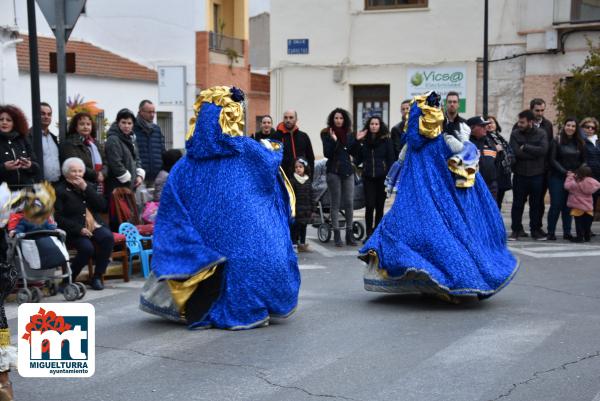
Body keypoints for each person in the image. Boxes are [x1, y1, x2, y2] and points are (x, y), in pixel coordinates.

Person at [140, 86, 300, 330]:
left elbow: (171, 211)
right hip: (255, 256)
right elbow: (272, 162)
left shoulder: (185, 166)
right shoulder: (248, 153)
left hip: (208, 251)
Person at [359, 92, 518, 303]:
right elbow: (465, 157)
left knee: (413, 235)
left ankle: (434, 281)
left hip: (417, 203)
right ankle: (446, 282)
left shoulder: (415, 147)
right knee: (443, 238)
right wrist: (465, 142)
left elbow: (398, 166)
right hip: (434, 201)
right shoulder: (445, 141)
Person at [54, 157, 114, 291]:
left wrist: (86, 188)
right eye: (73, 171)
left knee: (107, 237)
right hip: (73, 230)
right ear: (66, 173)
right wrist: (79, 229)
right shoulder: (59, 190)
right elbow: (57, 217)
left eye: (80, 171)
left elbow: (102, 206)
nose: (77, 174)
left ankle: (97, 277)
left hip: (94, 225)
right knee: (87, 248)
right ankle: (69, 279)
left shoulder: (88, 185)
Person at [321, 108, 361, 247]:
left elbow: (354, 152)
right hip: (333, 172)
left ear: (345, 120)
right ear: (333, 119)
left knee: (349, 202)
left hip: (348, 171)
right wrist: (334, 141)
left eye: (341, 118)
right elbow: (328, 153)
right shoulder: (326, 133)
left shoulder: (349, 134)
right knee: (335, 203)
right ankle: (337, 234)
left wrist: (357, 141)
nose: (338, 120)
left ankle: (349, 234)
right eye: (336, 118)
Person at [509, 110, 549, 240]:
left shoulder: (541, 133)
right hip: (520, 174)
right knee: (517, 204)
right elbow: (516, 153)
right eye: (519, 121)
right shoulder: (515, 134)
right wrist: (533, 152)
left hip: (537, 175)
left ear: (530, 122)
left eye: (522, 122)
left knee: (536, 204)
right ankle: (516, 230)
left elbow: (543, 151)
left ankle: (535, 230)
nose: (519, 124)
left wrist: (525, 146)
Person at [355, 116, 395, 241]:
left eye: (376, 124)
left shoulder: (386, 140)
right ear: (368, 125)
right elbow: (357, 157)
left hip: (382, 177)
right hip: (368, 178)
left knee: (379, 206)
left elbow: (391, 158)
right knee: (369, 205)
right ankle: (369, 233)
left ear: (380, 125)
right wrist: (357, 141)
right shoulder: (364, 140)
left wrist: (390, 177)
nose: (374, 126)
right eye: (372, 124)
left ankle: (377, 233)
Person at [546, 118, 585, 241]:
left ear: (576, 128)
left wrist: (578, 172)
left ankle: (567, 232)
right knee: (556, 205)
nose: (570, 128)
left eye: (573, 126)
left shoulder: (580, 142)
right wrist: (565, 172)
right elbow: (552, 159)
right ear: (564, 126)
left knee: (568, 206)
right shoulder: (556, 140)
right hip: (557, 177)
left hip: (574, 178)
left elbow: (584, 161)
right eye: (568, 125)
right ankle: (551, 232)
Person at [60, 112, 105, 190]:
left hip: (100, 184)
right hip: (80, 185)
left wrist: (103, 174)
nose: (85, 127)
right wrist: (96, 175)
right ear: (76, 127)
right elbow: (75, 165)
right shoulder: (69, 144)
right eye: (82, 124)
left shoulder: (95, 143)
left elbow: (106, 161)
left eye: (88, 124)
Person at [105, 109, 145, 195]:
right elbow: (115, 162)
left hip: (129, 185)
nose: (126, 126)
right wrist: (128, 179)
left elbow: (137, 158)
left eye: (129, 123)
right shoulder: (113, 139)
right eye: (123, 122)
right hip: (118, 186)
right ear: (118, 122)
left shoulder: (131, 138)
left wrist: (139, 175)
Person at [0, 105, 39, 190]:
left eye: (8, 120)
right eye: (1, 119)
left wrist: (29, 165)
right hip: (3, 195)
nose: (4, 122)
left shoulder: (23, 139)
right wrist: (4, 167)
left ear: (15, 123)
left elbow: (36, 167)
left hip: (25, 192)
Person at [274, 110, 315, 179]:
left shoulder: (304, 136)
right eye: (286, 118)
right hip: (283, 178)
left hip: (302, 179)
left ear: (296, 119)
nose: (288, 120)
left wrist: (310, 176)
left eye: (291, 117)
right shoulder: (276, 136)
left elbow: (310, 158)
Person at [565, 165, 600, 242]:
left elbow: (567, 186)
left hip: (578, 207)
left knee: (579, 223)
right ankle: (587, 237)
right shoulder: (591, 182)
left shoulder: (576, 183)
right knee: (587, 223)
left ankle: (579, 237)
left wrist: (570, 177)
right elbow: (598, 184)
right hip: (588, 207)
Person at [134, 100, 165, 184]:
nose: (152, 115)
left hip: (156, 177)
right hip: (139, 178)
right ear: (140, 112)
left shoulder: (157, 129)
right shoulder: (133, 128)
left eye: (153, 112)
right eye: (149, 112)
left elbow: (162, 151)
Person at [486, 116, 513, 209]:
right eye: (487, 123)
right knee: (493, 203)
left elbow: (509, 151)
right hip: (494, 175)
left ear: (496, 125)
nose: (490, 125)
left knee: (499, 202)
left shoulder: (500, 137)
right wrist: (494, 149)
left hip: (503, 174)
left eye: (492, 122)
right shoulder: (486, 138)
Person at [468, 116, 498, 198]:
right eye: (482, 126)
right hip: (473, 186)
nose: (486, 128)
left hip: (491, 186)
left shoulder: (490, 142)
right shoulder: (466, 144)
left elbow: (496, 162)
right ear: (472, 128)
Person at [290, 158, 313, 252]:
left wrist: (313, 207)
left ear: (305, 168)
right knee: (295, 227)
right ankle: (294, 244)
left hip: (306, 209)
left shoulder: (308, 180)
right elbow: (291, 195)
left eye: (300, 167)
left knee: (304, 226)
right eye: (296, 167)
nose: (298, 169)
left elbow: (311, 194)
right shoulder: (293, 180)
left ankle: (302, 244)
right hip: (297, 209)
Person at [580, 117, 600, 223]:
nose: (590, 129)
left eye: (593, 128)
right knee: (585, 203)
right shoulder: (580, 141)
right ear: (582, 128)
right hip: (586, 176)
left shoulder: (598, 142)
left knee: (593, 203)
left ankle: (588, 228)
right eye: (587, 127)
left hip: (598, 176)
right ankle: (583, 228)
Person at [39, 102, 61, 184]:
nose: (46, 117)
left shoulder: (53, 137)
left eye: (49, 114)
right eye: (42, 114)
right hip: (39, 186)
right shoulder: (29, 137)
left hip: (57, 184)